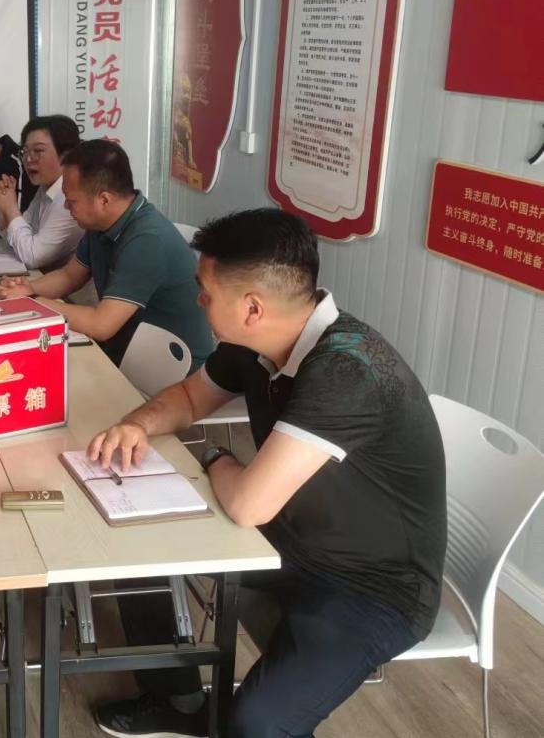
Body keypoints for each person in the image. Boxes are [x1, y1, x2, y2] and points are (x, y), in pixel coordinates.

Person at [87, 209, 447, 738]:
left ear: (252, 307)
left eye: (206, 292)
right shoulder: (255, 344)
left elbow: (248, 504)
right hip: (292, 540)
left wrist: (215, 457)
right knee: (141, 550)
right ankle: (178, 700)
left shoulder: (346, 371)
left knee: (257, 722)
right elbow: (189, 397)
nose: (198, 301)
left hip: (374, 587)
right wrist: (137, 424)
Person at [0, 139, 212, 368]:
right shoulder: (101, 224)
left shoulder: (147, 240)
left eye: (71, 200)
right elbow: (69, 276)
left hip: (170, 369)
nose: (66, 207)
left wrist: (32, 303)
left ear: (104, 200)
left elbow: (100, 325)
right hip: (126, 349)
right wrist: (28, 289)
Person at [0, 114, 84, 271]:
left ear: (66, 156)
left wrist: (10, 207)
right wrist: (2, 205)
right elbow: (15, 242)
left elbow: (31, 258)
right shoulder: (45, 188)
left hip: (66, 286)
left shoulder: (70, 199)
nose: (28, 159)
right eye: (24, 151)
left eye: (38, 150)